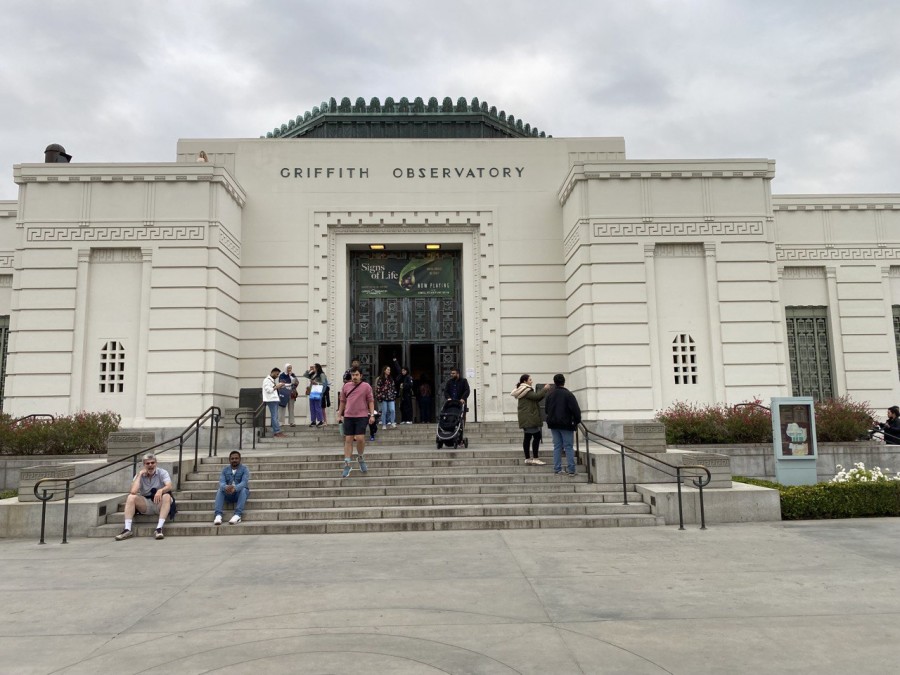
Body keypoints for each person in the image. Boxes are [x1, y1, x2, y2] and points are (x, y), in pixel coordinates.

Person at [114, 453, 174, 541]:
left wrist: (160, 490)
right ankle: (127, 529)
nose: (150, 465)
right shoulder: (139, 475)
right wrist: (140, 475)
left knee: (167, 496)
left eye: (152, 463)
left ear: (156, 463)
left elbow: (169, 486)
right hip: (146, 503)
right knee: (131, 497)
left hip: (160, 503)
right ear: (144, 465)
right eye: (147, 463)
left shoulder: (162, 472)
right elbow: (133, 491)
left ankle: (159, 529)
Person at [336, 367, 375, 478]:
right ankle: (347, 464)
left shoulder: (366, 387)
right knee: (348, 439)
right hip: (348, 416)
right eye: (353, 375)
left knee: (360, 438)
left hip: (362, 416)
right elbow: (342, 401)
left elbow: (371, 401)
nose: (354, 377)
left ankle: (360, 457)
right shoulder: (346, 386)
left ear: (361, 376)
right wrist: (339, 415)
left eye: (357, 375)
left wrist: (372, 415)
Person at [544, 373, 582, 476]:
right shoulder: (569, 394)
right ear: (564, 382)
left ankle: (557, 468)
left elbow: (547, 410)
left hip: (554, 424)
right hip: (566, 424)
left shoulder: (550, 395)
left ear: (554, 383)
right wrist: (577, 420)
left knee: (557, 446)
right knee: (568, 446)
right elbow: (576, 410)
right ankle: (571, 470)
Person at [511, 374, 550, 465]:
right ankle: (535, 458)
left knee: (527, 437)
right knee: (537, 436)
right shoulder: (526, 390)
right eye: (530, 380)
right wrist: (545, 389)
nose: (531, 381)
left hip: (526, 418)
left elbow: (536, 398)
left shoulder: (522, 390)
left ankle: (528, 458)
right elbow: (536, 396)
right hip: (529, 418)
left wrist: (542, 393)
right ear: (525, 381)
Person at [214, 451, 250, 525]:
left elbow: (244, 482)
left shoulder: (245, 469)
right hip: (228, 494)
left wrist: (235, 488)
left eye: (236, 458)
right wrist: (226, 487)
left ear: (240, 459)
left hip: (239, 494)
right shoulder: (225, 470)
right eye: (232, 458)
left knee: (244, 489)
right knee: (220, 489)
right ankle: (218, 515)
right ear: (229, 460)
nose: (234, 460)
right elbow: (221, 482)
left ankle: (237, 515)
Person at [262, 367, 285, 437]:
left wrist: (278, 387)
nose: (277, 376)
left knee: (275, 416)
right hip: (271, 400)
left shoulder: (271, 380)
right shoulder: (267, 380)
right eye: (277, 374)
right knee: (274, 416)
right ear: (273, 372)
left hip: (274, 399)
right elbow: (268, 390)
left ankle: (277, 431)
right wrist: (276, 387)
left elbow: (272, 389)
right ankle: (276, 431)